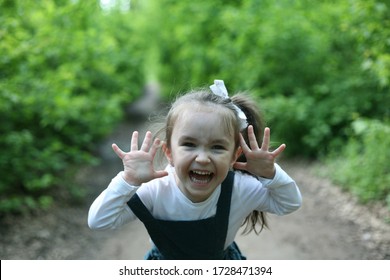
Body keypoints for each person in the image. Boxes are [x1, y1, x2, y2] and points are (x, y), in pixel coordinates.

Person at [88, 80, 302, 260]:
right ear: (169, 152)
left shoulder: (239, 188)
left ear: (234, 156)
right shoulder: (154, 190)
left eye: (217, 147)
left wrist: (270, 174)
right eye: (189, 144)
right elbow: (99, 221)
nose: (202, 158)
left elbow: (289, 203)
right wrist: (128, 180)